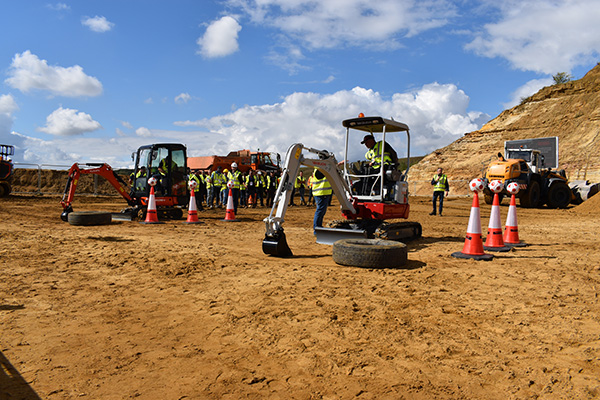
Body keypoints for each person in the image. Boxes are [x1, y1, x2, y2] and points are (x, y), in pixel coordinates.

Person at [311, 169, 332, 233]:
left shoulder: (319, 168)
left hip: (322, 193)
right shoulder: (321, 169)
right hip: (321, 193)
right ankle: (316, 229)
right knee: (320, 211)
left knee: (321, 211)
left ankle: (318, 227)